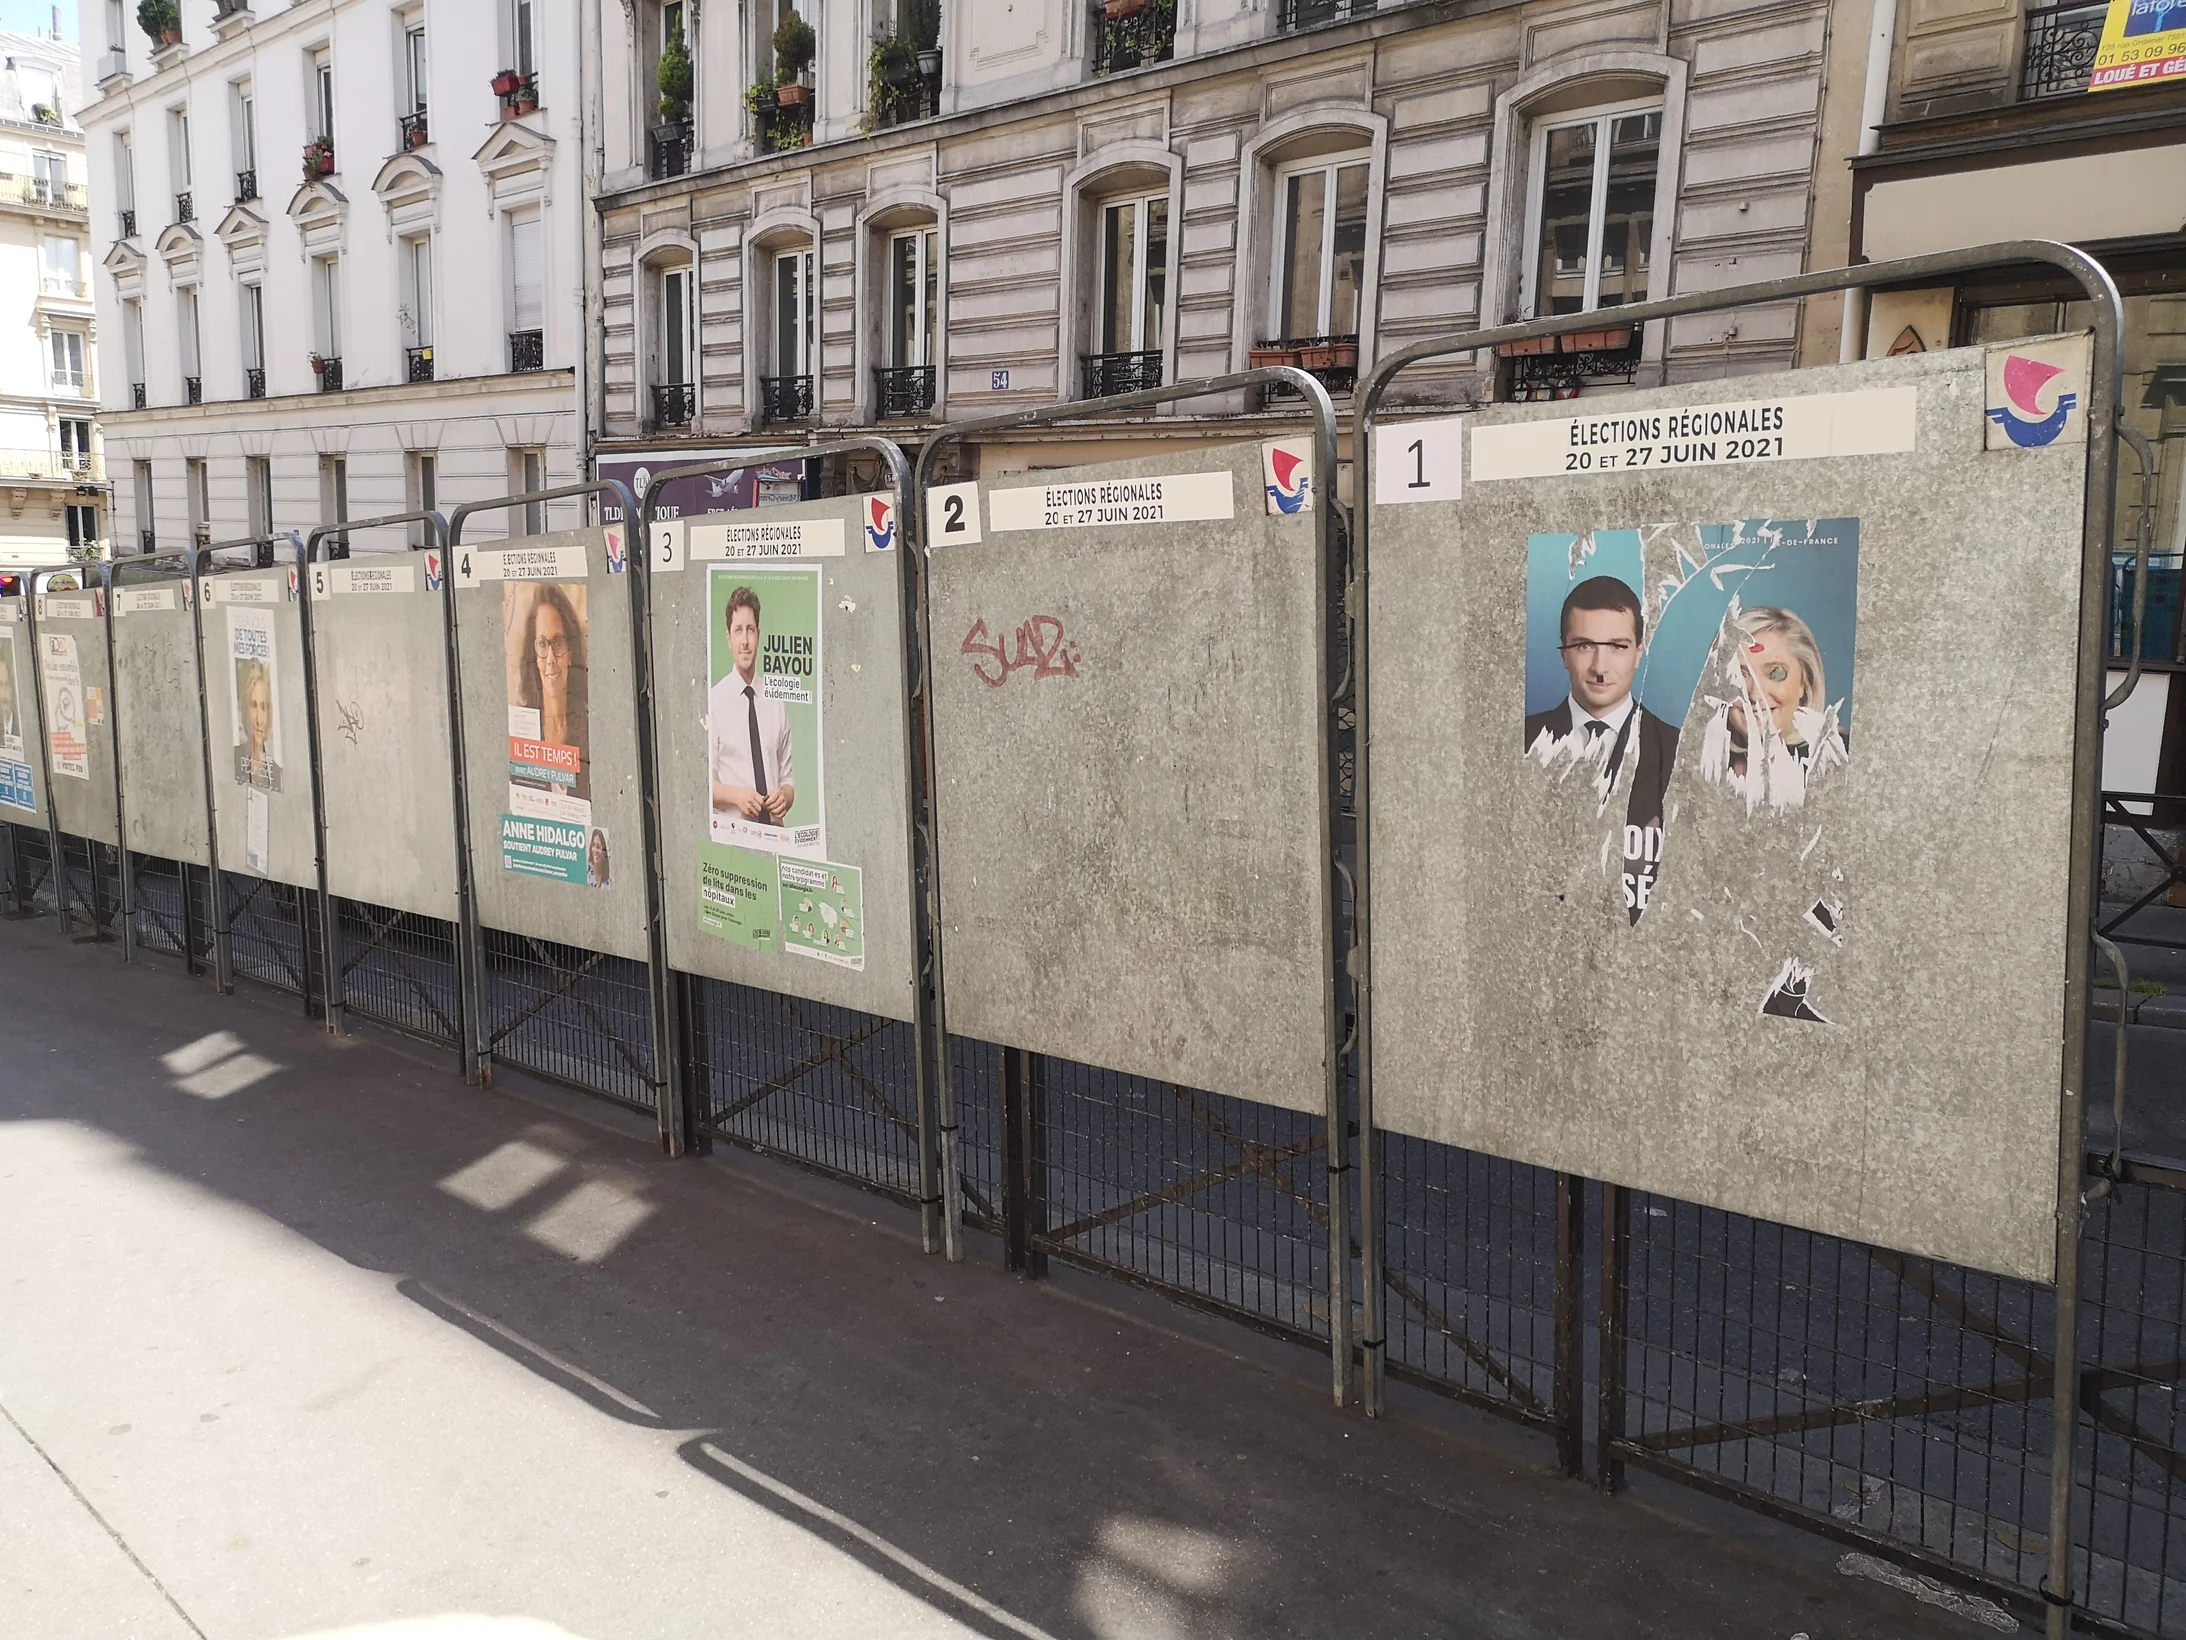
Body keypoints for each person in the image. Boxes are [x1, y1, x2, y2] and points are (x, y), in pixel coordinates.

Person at [1522, 575, 1680, 921]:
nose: (1600, 667)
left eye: (1617, 646)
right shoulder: (1522, 742)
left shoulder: (1681, 753)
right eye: (1584, 645)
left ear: (1639, 652)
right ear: (1563, 653)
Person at [1701, 605, 1847, 810]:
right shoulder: (1698, 764)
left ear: (1804, 683)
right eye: (1739, 675)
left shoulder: (1845, 760)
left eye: (1775, 673)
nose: (1755, 694)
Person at [709, 585, 794, 828]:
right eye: (738, 631)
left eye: (750, 630)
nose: (745, 641)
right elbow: (701, 785)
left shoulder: (776, 700)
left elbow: (787, 779)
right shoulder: (714, 702)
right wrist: (736, 796)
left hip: (776, 835)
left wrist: (784, 797)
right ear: (728, 638)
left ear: (758, 635)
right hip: (736, 835)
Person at [514, 584, 590, 803]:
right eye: (542, 644)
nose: (550, 659)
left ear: (570, 652)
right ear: (534, 656)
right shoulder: (523, 731)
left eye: (557, 642)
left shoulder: (590, 726)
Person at [233, 657, 280, 791]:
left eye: (263, 707)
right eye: (254, 705)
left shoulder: (276, 773)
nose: (259, 720)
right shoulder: (233, 761)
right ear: (245, 709)